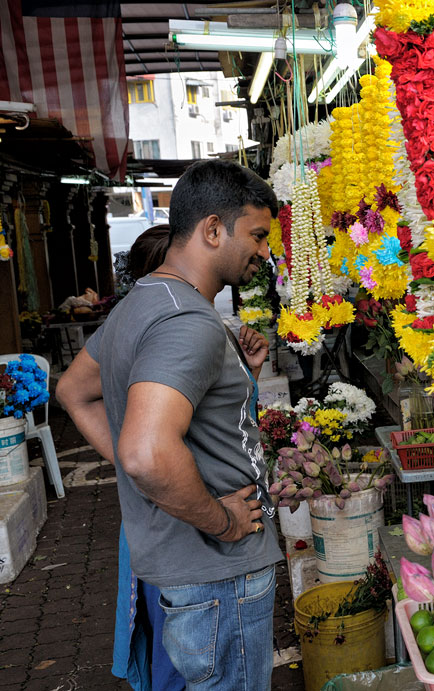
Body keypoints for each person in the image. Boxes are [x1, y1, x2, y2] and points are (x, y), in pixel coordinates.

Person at [57, 160, 283, 690]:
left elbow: (74, 391)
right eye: (256, 234)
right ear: (211, 229)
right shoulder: (187, 322)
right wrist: (221, 522)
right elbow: (146, 452)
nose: (265, 252)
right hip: (217, 574)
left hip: (185, 568)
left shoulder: (142, 303)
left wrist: (234, 380)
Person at [111, 223, 185, 691]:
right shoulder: (163, 331)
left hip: (154, 509)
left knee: (170, 637)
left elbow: (74, 392)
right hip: (171, 515)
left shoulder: (129, 323)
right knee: (177, 644)